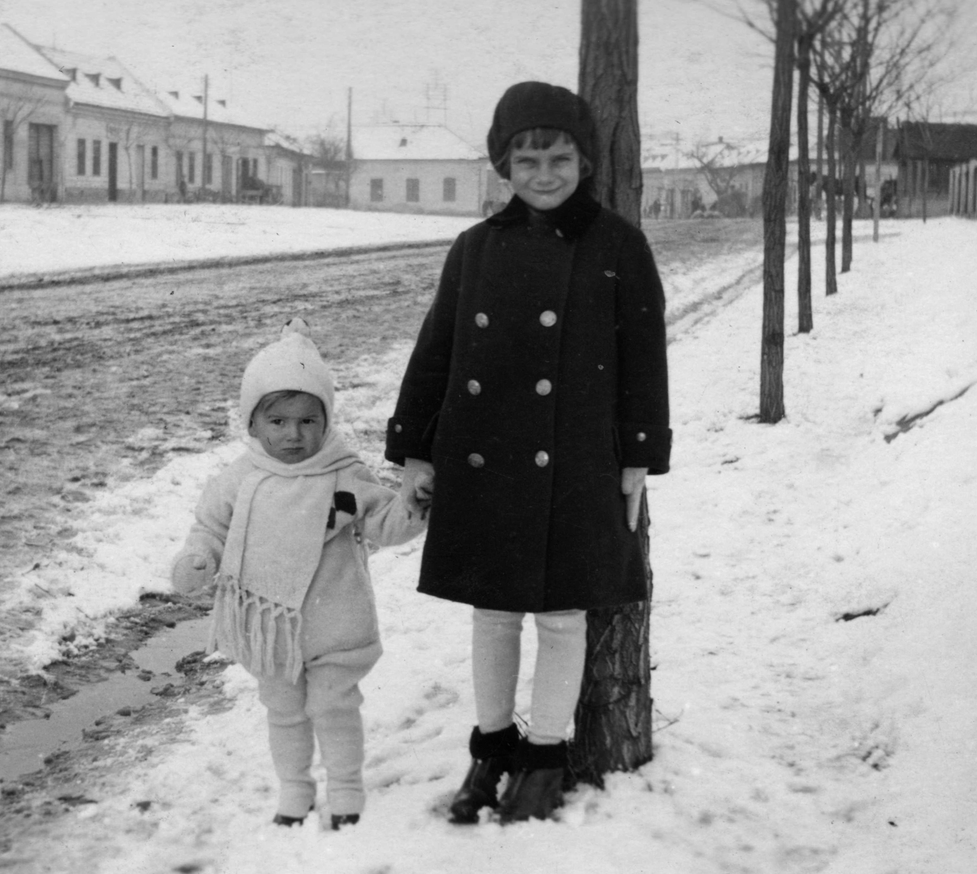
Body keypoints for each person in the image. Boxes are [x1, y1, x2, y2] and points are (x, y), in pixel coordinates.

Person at [385, 81, 671, 825]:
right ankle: (491, 747)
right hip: (485, 451)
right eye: (527, 159)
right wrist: (415, 448)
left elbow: (644, 356)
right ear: (503, 168)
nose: (545, 174)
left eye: (561, 158)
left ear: (585, 162)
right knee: (492, 612)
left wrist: (638, 455)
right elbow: (438, 350)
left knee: (563, 616)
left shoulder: (617, 245)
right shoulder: (475, 247)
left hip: (578, 458)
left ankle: (545, 756)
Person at [171, 320, 427, 830]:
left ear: (326, 421)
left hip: (336, 619)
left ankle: (347, 787)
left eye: (308, 421)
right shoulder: (239, 480)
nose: (293, 434)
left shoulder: (342, 473)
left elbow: (383, 522)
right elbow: (210, 530)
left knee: (334, 707)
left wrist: (413, 505)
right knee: (284, 710)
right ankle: (294, 786)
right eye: (279, 421)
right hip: (270, 630)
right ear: (253, 424)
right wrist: (198, 559)